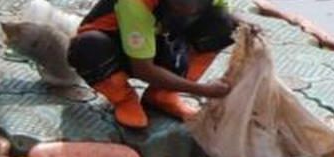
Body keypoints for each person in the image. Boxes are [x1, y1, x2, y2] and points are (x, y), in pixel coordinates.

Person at [67, 0, 235, 129]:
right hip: (114, 45)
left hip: (156, 36)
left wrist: (248, 29)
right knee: (88, 47)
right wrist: (201, 90)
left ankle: (162, 95)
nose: (184, 14)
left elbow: (223, 15)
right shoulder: (135, 4)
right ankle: (124, 99)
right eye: (178, 8)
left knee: (223, 25)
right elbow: (143, 70)